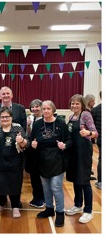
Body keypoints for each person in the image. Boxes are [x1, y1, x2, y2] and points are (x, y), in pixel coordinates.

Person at [31, 100, 71, 228]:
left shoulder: (60, 123)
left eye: (48, 108)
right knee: (46, 187)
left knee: (55, 186)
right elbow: (32, 138)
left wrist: (64, 145)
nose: (46, 111)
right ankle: (49, 208)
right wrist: (33, 143)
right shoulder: (37, 124)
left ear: (53, 110)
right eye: (44, 109)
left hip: (57, 159)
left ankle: (60, 212)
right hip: (42, 159)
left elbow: (69, 139)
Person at [0, 107, 28, 218]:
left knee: (15, 184)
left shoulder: (17, 127)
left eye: (7, 117)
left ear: (11, 117)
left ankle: (15, 206)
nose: (5, 119)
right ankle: (0, 203)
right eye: (2, 117)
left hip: (15, 162)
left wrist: (22, 141)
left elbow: (26, 144)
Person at [65, 94, 98, 224]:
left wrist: (88, 133)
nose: (74, 106)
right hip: (73, 152)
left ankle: (88, 211)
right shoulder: (71, 117)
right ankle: (78, 204)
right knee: (75, 178)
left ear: (82, 104)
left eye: (77, 103)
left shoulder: (86, 115)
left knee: (84, 180)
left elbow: (95, 132)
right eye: (72, 103)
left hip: (83, 152)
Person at [25, 99, 45, 208]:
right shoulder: (31, 118)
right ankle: (36, 197)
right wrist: (28, 126)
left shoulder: (45, 119)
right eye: (33, 107)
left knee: (41, 177)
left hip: (41, 151)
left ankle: (42, 198)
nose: (35, 109)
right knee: (33, 177)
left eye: (37, 106)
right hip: (31, 151)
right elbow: (29, 135)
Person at [91, 92, 101, 189]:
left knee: (101, 159)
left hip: (100, 138)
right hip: (100, 138)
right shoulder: (95, 110)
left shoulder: (94, 110)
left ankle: (100, 181)